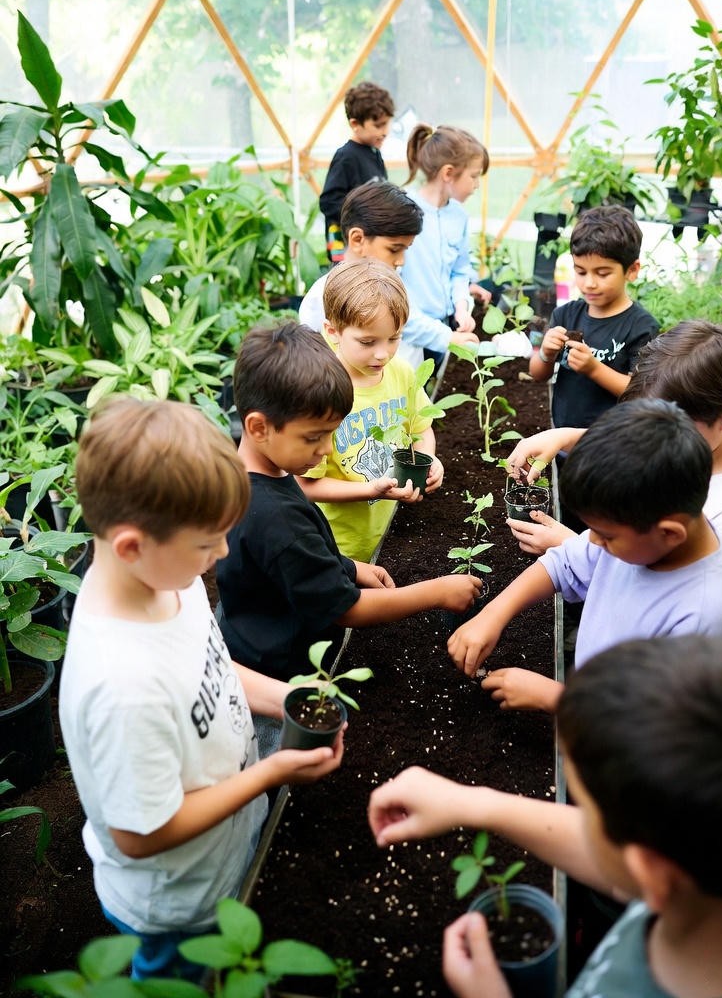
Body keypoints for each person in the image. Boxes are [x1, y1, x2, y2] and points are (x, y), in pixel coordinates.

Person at [58, 398, 344, 981]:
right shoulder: (122, 687)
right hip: (176, 904)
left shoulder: (165, 580)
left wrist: (284, 699)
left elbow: (209, 664)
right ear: (134, 544)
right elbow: (141, 836)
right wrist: (269, 772)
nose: (221, 554)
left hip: (224, 854)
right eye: (206, 543)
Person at [368, 634, 722, 998]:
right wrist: (473, 804)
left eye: (583, 808)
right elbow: (619, 859)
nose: (579, 817)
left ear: (650, 872)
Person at [217, 321, 480, 692]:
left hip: (254, 632)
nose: (326, 449)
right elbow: (346, 610)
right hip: (283, 674)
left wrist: (347, 566)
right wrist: (436, 592)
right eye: (314, 437)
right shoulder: (276, 520)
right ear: (259, 427)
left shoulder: (258, 478)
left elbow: (291, 563)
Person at [448, 398, 722, 709]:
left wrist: (554, 697)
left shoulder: (703, 617)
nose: (592, 541)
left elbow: (659, 723)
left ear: (669, 532)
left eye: (606, 535)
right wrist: (494, 614)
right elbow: (562, 563)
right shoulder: (643, 538)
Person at [505, 320, 722, 597]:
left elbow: (667, 601)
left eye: (665, 424)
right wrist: (566, 436)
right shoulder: (696, 445)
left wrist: (573, 546)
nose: (653, 435)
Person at [298, 259, 446, 563]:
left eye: (394, 338)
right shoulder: (320, 392)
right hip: (339, 547)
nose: (383, 353)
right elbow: (304, 485)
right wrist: (369, 490)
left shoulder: (401, 373)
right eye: (367, 341)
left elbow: (421, 429)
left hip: (391, 532)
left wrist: (428, 460)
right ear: (333, 331)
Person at [528, 205, 659, 427]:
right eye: (580, 271)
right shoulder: (564, 315)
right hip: (561, 435)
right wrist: (546, 354)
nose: (589, 283)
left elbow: (641, 392)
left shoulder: (642, 327)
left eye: (603, 273)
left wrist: (593, 368)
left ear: (632, 270)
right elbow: (537, 373)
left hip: (611, 443)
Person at [299, 179, 424, 366]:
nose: (401, 261)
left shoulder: (393, 281)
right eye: (394, 249)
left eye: (406, 249)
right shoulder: (322, 297)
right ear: (357, 239)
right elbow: (313, 364)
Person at [399, 124, 485, 365]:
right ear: (448, 173)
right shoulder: (403, 210)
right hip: (407, 332)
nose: (476, 185)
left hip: (444, 327)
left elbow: (460, 271)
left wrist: (461, 306)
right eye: (474, 176)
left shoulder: (459, 216)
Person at [320, 81, 395, 263]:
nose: (385, 132)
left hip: (366, 244)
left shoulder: (375, 154)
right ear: (355, 124)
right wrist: (363, 214)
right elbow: (329, 201)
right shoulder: (346, 157)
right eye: (378, 125)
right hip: (344, 245)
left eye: (387, 124)